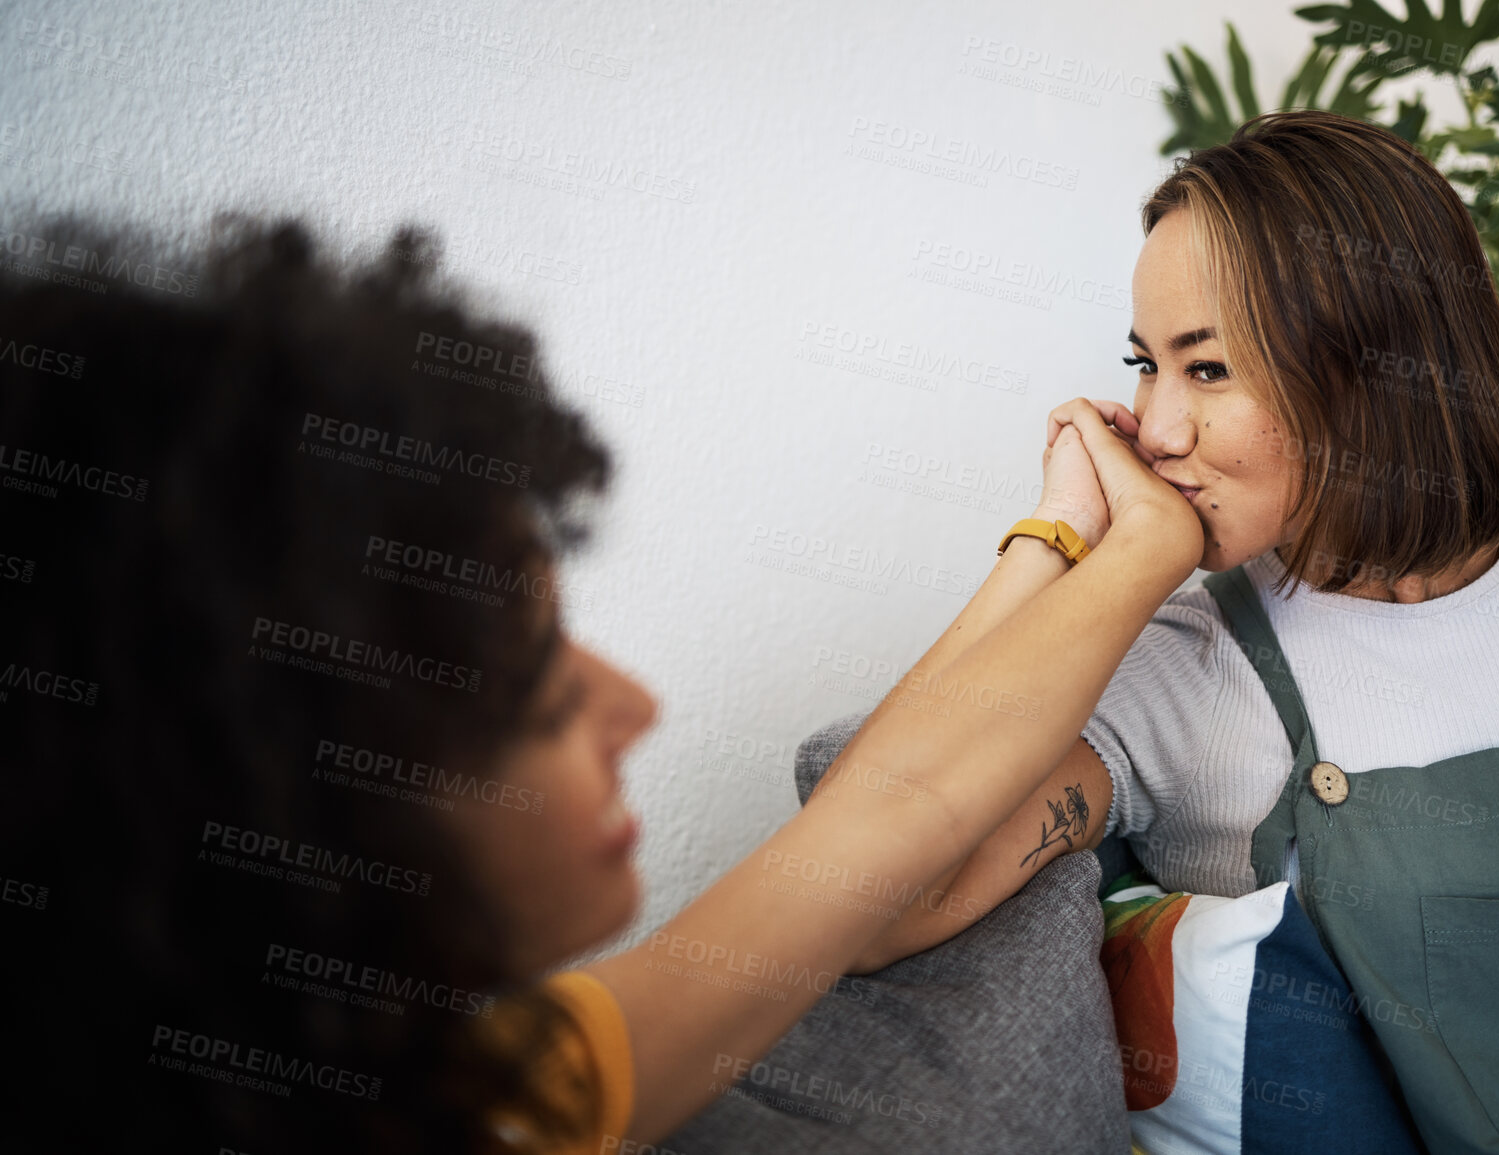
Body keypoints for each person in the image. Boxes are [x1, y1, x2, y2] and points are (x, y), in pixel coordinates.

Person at [0, 213, 1194, 1153]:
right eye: (530, 679)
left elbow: (892, 815)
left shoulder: (495, 1088)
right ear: (275, 793)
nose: (634, 707)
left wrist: (1077, 536)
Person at [839, 110, 1499, 1153]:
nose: (1158, 430)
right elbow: (861, 900)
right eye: (1145, 365)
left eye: (1207, 369)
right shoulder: (1175, 668)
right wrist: (1065, 548)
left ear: (1381, 369)